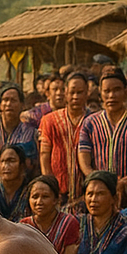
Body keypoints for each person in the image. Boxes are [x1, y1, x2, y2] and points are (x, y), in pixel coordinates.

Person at [78, 69, 127, 206]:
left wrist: (125, 181)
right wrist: (98, 180)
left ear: (126, 92)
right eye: (107, 91)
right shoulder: (90, 123)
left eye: (117, 90)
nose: (111, 95)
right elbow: (84, 157)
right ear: (100, 93)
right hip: (97, 195)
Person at [39, 72, 90, 205]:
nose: (75, 97)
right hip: (59, 192)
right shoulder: (49, 120)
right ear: (66, 93)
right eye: (72, 92)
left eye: (80, 92)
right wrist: (50, 188)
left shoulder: (94, 121)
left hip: (87, 192)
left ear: (87, 94)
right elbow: (45, 155)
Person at [20, 174, 79, 254]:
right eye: (35, 197)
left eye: (45, 197)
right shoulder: (23, 225)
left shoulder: (68, 223)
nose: (39, 202)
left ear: (55, 200)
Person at [0, 144, 31, 222]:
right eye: (2, 161)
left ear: (22, 165)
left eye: (11, 161)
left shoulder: (30, 192)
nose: (6, 166)